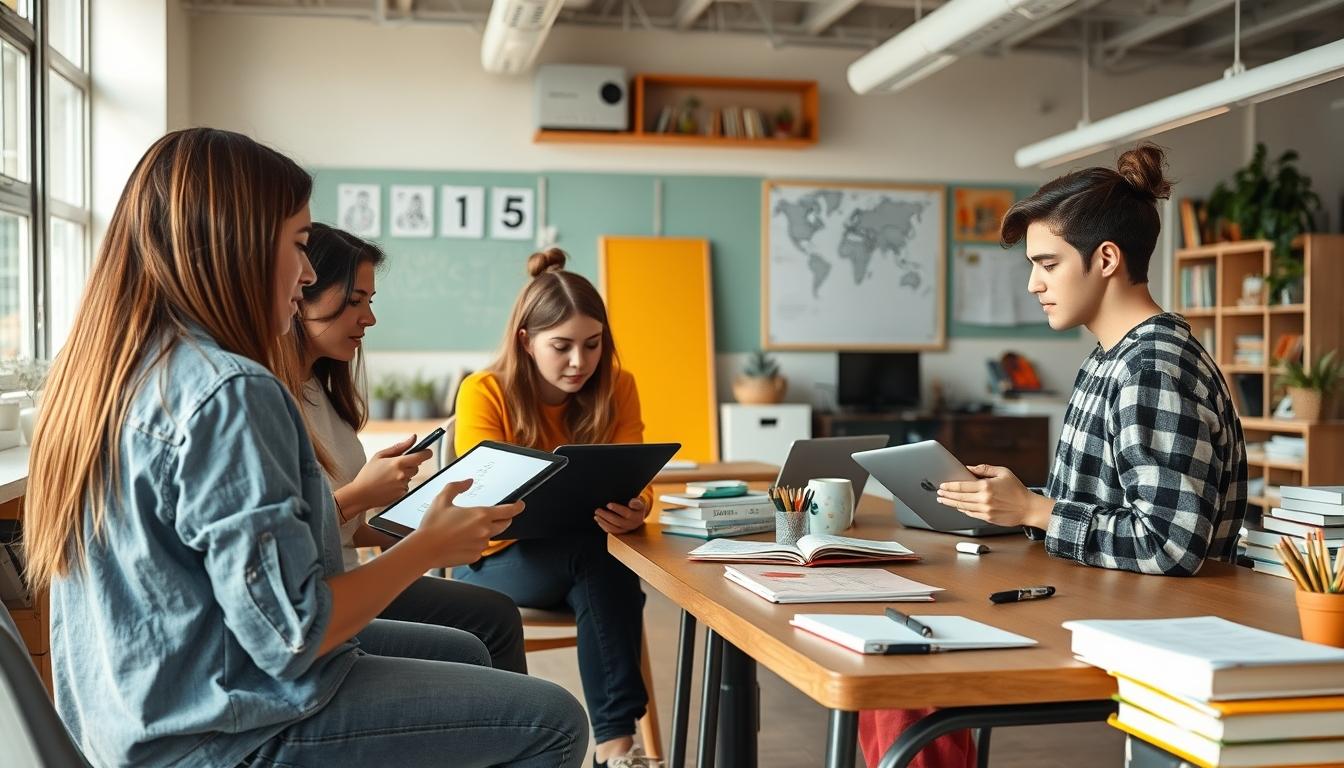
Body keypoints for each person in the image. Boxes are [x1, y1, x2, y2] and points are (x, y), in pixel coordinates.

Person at [24, 128, 587, 768]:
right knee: (556, 721)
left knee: (468, 649)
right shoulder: (229, 391)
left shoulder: (101, 370)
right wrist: (428, 546)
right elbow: (294, 637)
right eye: (298, 245)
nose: (310, 271)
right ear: (237, 247)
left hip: (130, 715)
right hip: (218, 735)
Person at [859, 144, 1248, 768]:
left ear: (1107, 260)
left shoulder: (1151, 367)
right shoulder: (1110, 357)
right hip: (1093, 599)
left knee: (903, 684)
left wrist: (1037, 511)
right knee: (897, 661)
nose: (1033, 283)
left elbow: (1171, 544)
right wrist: (1015, 498)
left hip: (1140, 625)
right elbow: (1109, 500)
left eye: (1046, 263)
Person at [288, 222, 527, 673]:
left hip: (352, 574)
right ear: (301, 294)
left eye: (369, 302)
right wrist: (361, 495)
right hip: (323, 600)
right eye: (355, 301)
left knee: (494, 613)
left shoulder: (326, 394)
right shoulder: (268, 402)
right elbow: (294, 539)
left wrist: (436, 523)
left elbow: (353, 530)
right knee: (488, 631)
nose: (369, 318)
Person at [452, 248, 654, 768]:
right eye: (561, 346)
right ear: (526, 340)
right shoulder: (485, 390)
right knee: (600, 561)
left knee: (601, 556)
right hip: (491, 559)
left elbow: (641, 479)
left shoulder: (618, 387)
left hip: (586, 562)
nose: (580, 363)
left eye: (593, 345)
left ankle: (613, 747)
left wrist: (636, 507)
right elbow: (478, 497)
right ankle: (617, 745)